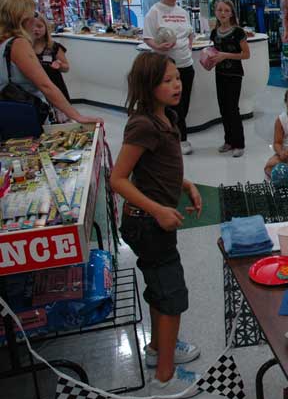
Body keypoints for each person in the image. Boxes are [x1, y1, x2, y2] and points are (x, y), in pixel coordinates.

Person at [109, 53, 202, 396]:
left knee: (159, 289)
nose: (176, 84)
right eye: (167, 80)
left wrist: (185, 184)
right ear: (149, 86)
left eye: (177, 78)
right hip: (148, 225)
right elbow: (118, 179)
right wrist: (158, 211)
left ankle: (158, 349)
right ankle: (164, 379)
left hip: (152, 222)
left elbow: (155, 169)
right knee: (172, 297)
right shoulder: (144, 124)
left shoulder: (166, 117)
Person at [0, 0, 99, 125]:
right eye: (33, 14)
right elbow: (45, 85)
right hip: (26, 112)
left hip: (10, 112)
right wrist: (77, 116)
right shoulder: (19, 44)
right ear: (23, 18)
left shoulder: (4, 42)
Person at [143, 0, 196, 155]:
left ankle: (180, 136)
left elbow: (189, 31)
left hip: (186, 64)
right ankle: (175, 139)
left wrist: (190, 40)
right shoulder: (155, 12)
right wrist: (158, 46)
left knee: (185, 103)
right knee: (169, 105)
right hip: (166, 65)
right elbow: (147, 37)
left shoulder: (182, 12)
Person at [207, 0, 250, 158]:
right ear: (215, 12)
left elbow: (246, 55)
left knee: (232, 108)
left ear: (231, 13)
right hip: (220, 74)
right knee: (223, 108)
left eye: (226, 10)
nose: (223, 13)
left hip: (234, 75)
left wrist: (225, 56)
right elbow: (213, 52)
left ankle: (239, 143)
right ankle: (229, 141)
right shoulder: (214, 33)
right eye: (219, 10)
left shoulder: (238, 32)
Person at [29, 15, 70, 102]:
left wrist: (60, 65)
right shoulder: (25, 47)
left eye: (39, 26)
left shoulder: (54, 47)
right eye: (32, 27)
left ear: (46, 28)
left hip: (55, 88)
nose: (36, 29)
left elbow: (66, 67)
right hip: (34, 91)